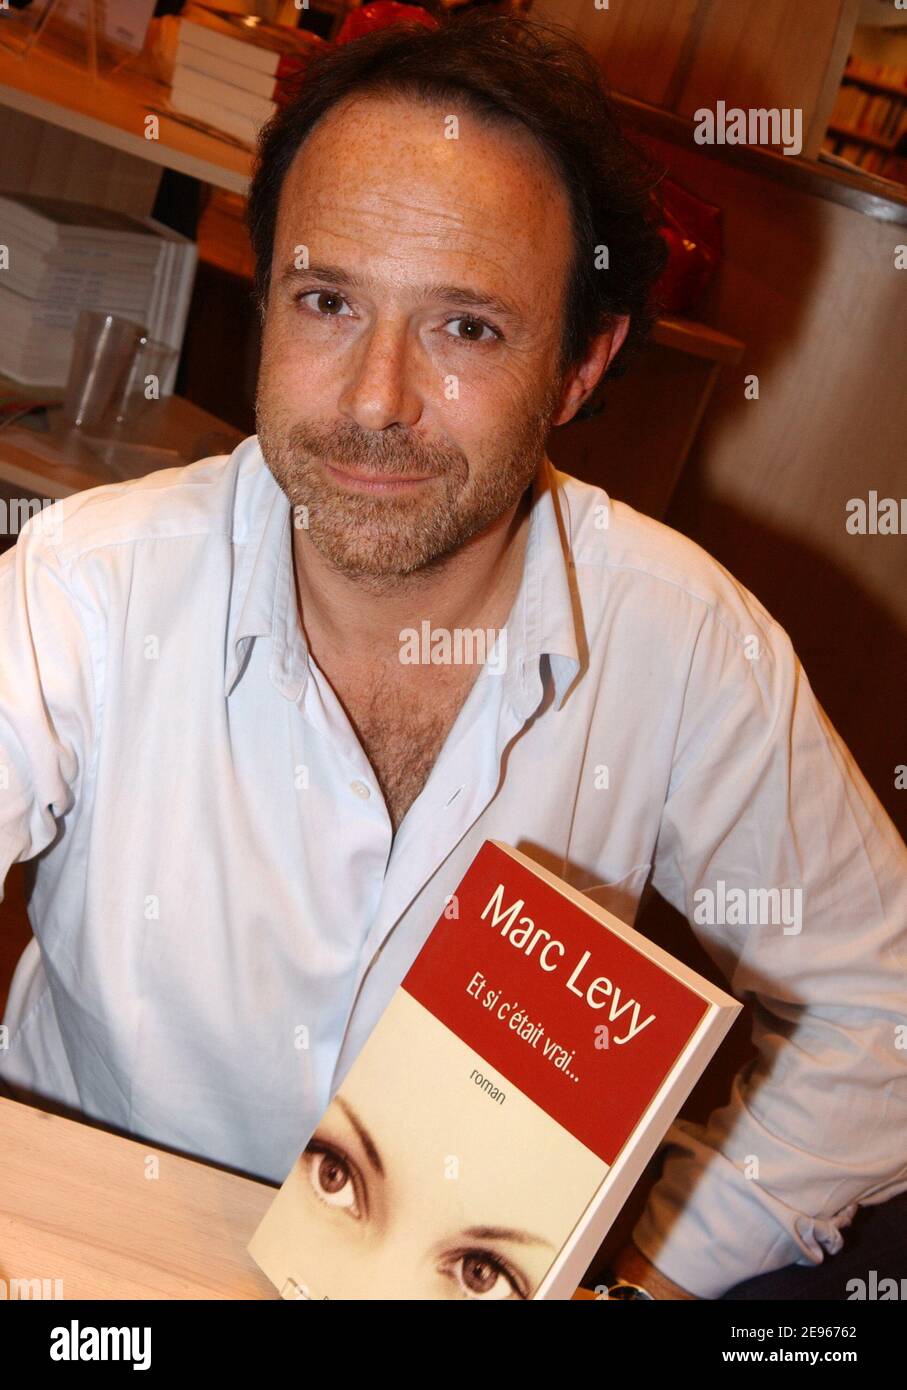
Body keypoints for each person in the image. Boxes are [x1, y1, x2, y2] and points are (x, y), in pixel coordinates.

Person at [0, 13, 905, 1300]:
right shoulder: (93, 584)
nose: (374, 399)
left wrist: (657, 1266)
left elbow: (884, 1011)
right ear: (265, 305)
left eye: (466, 329)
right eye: (327, 302)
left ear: (582, 366)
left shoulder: (686, 645)